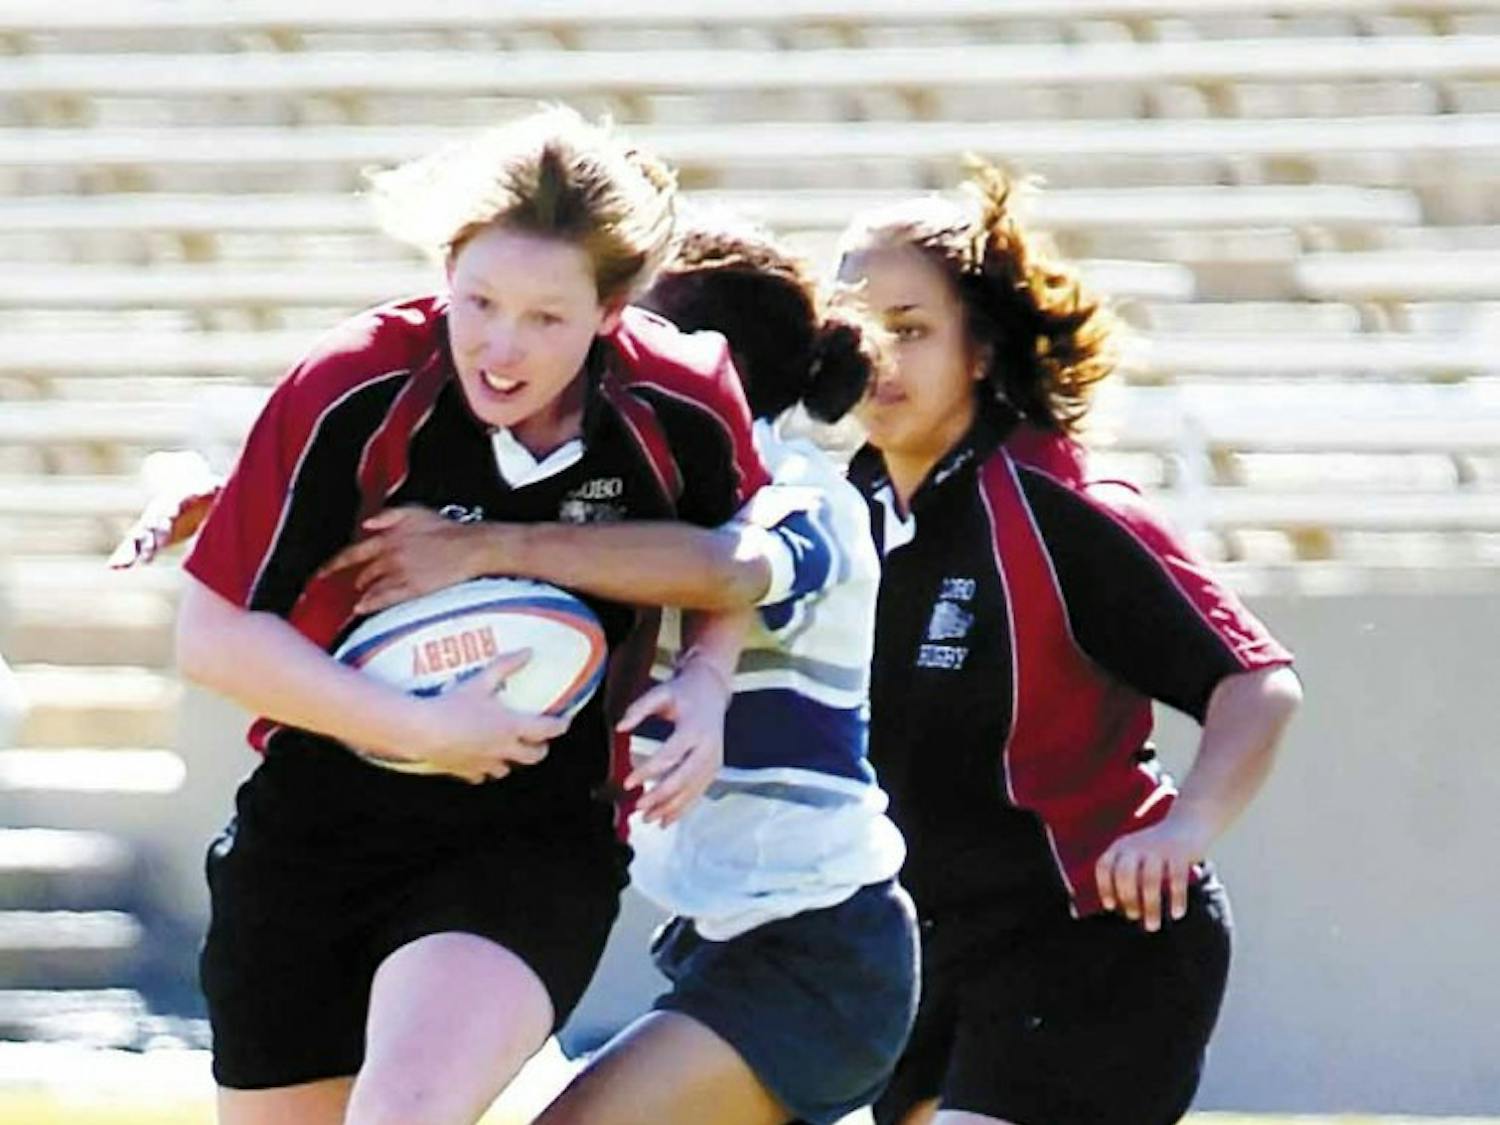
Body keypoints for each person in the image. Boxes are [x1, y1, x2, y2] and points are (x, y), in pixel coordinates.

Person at [171, 108, 769, 1125]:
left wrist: (707, 683)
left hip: (533, 833)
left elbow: (739, 558)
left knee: (405, 1112)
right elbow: (214, 635)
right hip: (316, 833)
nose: (500, 344)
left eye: (546, 316)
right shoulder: (351, 385)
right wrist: (420, 728)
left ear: (612, 310)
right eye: (478, 301)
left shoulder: (682, 400)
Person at [309, 217, 920, 1125]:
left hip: (819, 947)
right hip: (721, 936)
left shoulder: (802, 495)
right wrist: (280, 506)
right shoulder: (637, 494)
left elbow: (728, 568)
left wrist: (490, 546)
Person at [833, 161, 1304, 1125]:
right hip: (926, 949)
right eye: (857, 328)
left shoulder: (1053, 507)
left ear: (980, 350)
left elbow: (1255, 685)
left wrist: (1185, 829)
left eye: (912, 329)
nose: (880, 355)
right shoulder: (841, 516)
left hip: (1097, 948)